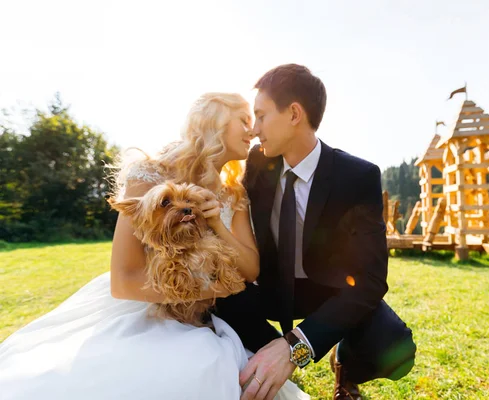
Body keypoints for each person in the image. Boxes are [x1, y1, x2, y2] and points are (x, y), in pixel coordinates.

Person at [0, 93, 308, 400]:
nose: (253, 131)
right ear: (215, 121)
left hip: (207, 314)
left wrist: (215, 222)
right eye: (243, 120)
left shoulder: (233, 191)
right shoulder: (151, 173)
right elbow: (123, 282)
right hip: (145, 305)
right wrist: (211, 292)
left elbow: (250, 268)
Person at [215, 65, 417, 400]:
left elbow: (370, 281)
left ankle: (345, 362)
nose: (255, 130)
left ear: (294, 114)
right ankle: (267, 357)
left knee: (394, 346)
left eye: (262, 116)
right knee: (220, 298)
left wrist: (299, 344)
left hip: (329, 290)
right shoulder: (256, 164)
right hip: (268, 287)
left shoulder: (357, 177)